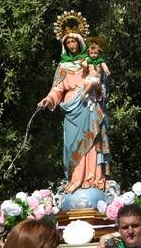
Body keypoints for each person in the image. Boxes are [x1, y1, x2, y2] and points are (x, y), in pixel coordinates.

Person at [37, 26, 110, 194]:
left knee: (91, 141)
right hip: (71, 109)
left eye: (73, 41)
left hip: (88, 105)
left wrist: (98, 85)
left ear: (80, 42)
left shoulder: (89, 61)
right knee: (72, 144)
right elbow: (57, 88)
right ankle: (75, 178)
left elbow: (101, 80)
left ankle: (92, 178)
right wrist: (48, 99)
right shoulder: (63, 66)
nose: (71, 44)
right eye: (68, 42)